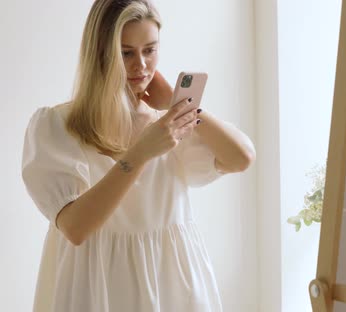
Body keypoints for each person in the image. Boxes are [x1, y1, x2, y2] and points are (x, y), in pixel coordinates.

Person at [21, 0, 255, 311]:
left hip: (171, 285)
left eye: (150, 50)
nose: (141, 66)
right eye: (126, 52)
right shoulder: (57, 126)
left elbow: (241, 157)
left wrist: (182, 104)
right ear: (100, 53)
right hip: (98, 288)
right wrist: (142, 152)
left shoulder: (168, 123)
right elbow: (76, 228)